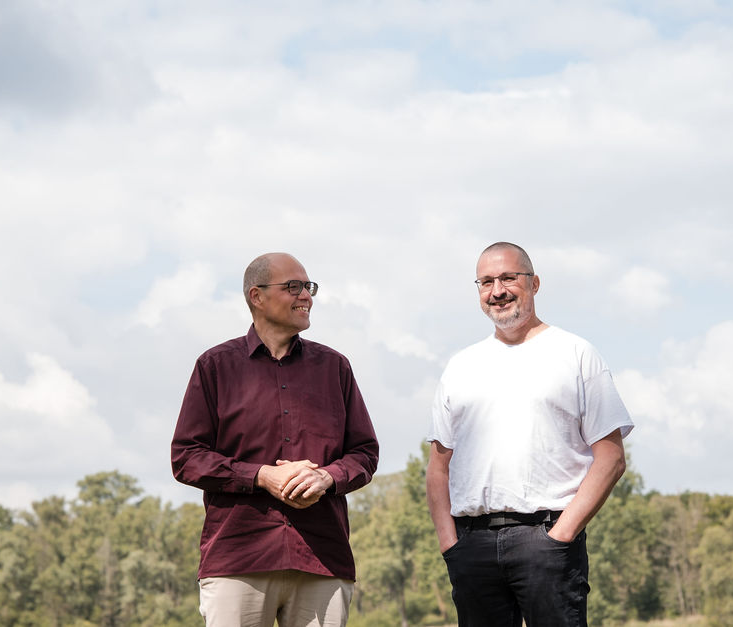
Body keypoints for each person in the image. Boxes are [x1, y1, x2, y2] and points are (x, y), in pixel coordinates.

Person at [426, 241, 634, 627]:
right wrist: (450, 546)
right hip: (472, 545)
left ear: (534, 283)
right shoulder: (460, 366)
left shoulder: (575, 354)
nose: (497, 290)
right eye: (486, 282)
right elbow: (439, 466)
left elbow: (611, 458)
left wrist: (561, 535)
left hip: (548, 540)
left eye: (508, 277)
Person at [172, 252, 379, 627]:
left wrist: (327, 477)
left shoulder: (335, 367)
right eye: (294, 287)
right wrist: (261, 476)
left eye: (309, 287)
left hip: (323, 557)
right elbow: (186, 457)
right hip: (239, 558)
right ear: (257, 296)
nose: (306, 296)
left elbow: (364, 453)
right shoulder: (215, 366)